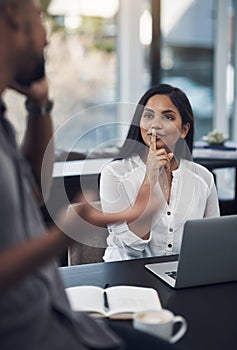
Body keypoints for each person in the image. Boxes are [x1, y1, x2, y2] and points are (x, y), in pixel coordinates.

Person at [0, 1, 184, 349]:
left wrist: (40, 105)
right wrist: (62, 235)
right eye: (40, 18)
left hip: (58, 318)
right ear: (12, 12)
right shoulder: (119, 171)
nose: (47, 38)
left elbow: (32, 187)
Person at [100, 84, 220, 262]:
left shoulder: (203, 178)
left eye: (168, 117)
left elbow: (212, 243)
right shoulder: (115, 174)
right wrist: (150, 178)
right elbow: (131, 248)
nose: (155, 125)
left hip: (181, 276)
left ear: (184, 130)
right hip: (125, 277)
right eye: (148, 115)